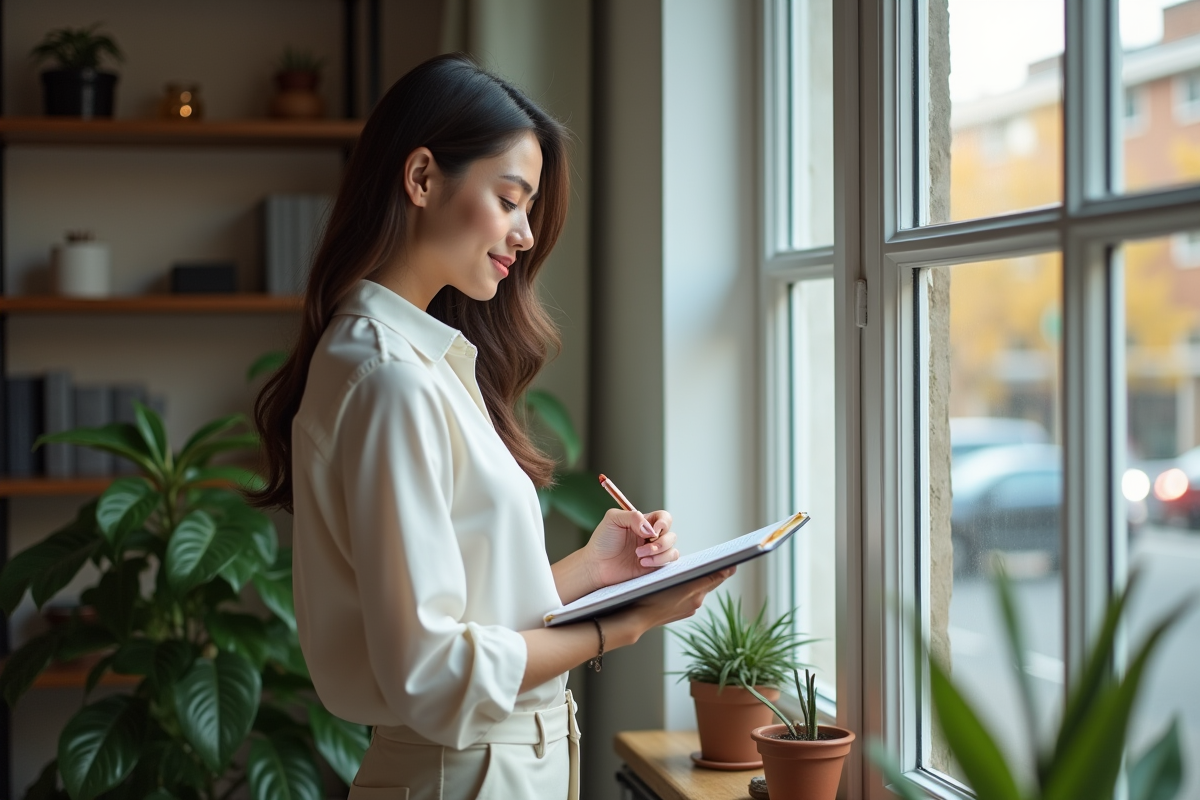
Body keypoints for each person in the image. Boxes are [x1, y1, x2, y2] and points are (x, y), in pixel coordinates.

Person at [250, 54, 732, 800]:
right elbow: (430, 672)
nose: (527, 234)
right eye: (510, 200)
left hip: (486, 769)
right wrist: (621, 627)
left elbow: (464, 617)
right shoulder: (391, 380)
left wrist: (593, 574)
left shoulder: (416, 361)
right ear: (420, 179)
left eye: (529, 209)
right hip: (464, 773)